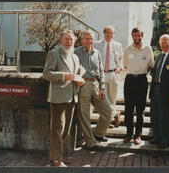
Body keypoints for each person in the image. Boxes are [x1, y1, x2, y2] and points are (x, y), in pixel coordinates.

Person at [43, 29, 85, 167]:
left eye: (71, 39)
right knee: (57, 129)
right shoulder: (54, 54)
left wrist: (80, 80)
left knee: (66, 130)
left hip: (72, 97)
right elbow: (46, 73)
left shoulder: (75, 57)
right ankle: (55, 160)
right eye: (66, 39)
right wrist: (64, 76)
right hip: (58, 97)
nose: (69, 42)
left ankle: (61, 155)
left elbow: (78, 74)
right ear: (61, 40)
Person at [74, 30, 112, 151]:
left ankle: (98, 134)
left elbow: (101, 72)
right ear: (82, 39)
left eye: (91, 39)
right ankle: (91, 143)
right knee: (84, 115)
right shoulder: (76, 52)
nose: (89, 41)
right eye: (87, 38)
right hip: (83, 85)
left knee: (108, 110)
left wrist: (102, 87)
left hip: (96, 84)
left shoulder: (97, 53)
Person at [123, 27, 154, 145]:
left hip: (142, 80)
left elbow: (151, 64)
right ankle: (129, 134)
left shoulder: (148, 48)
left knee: (140, 109)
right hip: (130, 80)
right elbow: (125, 65)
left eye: (139, 36)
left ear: (142, 36)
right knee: (128, 109)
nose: (137, 38)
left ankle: (138, 135)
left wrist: (141, 73)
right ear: (132, 36)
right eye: (134, 36)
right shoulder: (127, 49)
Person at [94, 25, 123, 128]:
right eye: (107, 32)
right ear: (104, 33)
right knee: (103, 99)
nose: (109, 35)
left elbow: (121, 59)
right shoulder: (97, 45)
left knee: (112, 98)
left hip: (113, 74)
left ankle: (109, 120)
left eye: (111, 33)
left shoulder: (118, 45)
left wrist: (120, 67)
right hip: (101, 74)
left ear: (113, 34)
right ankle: (115, 114)